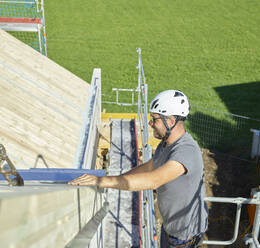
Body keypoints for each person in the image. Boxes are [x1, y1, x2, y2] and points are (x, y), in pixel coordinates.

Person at [69, 90, 208, 248]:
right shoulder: (166, 144)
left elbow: (154, 180)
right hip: (170, 229)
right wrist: (115, 180)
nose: (150, 123)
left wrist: (102, 181)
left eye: (154, 119)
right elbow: (147, 168)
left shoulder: (186, 151)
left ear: (170, 121)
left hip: (184, 239)